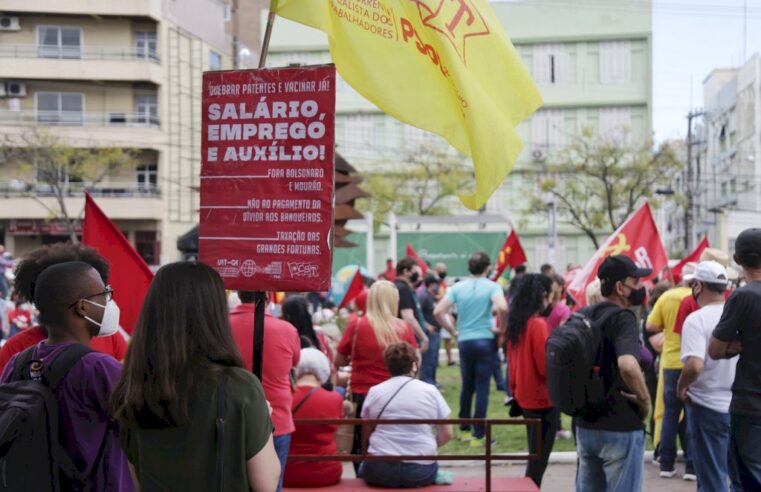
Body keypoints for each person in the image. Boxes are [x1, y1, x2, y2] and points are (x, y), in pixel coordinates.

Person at [111, 262, 279, 491]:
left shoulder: (133, 388)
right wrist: (262, 419)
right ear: (215, 315)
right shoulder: (240, 387)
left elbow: (138, 481)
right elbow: (266, 483)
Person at [0, 261, 133, 491]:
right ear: (82, 307)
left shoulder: (18, 362)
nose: (109, 301)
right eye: (104, 294)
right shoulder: (100, 368)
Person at [575, 255, 651, 492]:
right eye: (636, 282)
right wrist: (644, 399)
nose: (640, 288)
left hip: (585, 424)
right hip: (620, 424)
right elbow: (627, 364)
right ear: (620, 287)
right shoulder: (623, 318)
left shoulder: (583, 315)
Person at [0, 243, 129, 372]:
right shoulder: (15, 349)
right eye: (101, 293)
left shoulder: (111, 338)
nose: (106, 300)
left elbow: (127, 382)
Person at [335, 280, 419, 469]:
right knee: (393, 443)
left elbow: (338, 361)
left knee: (361, 448)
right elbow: (415, 360)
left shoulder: (356, 326)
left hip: (362, 394)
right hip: (396, 395)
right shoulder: (404, 328)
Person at [229, 290, 300, 492]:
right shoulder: (287, 330)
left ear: (238, 294)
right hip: (277, 419)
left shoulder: (220, 327)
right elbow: (294, 363)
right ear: (268, 297)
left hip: (231, 418)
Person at [435, 252, 507, 446]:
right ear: (487, 267)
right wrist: (502, 329)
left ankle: (465, 430)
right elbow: (503, 307)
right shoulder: (492, 286)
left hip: (465, 341)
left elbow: (438, 311)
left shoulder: (457, 287)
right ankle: (478, 435)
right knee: (482, 388)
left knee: (467, 386)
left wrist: (452, 330)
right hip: (485, 340)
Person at [676, 261, 736, 492]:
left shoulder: (697, 319)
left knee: (712, 480)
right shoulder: (738, 315)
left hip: (706, 406)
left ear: (698, 286)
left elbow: (694, 365)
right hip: (740, 407)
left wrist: (681, 386)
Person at [708, 228, 761, 490]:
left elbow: (715, 350)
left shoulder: (743, 296)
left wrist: (734, 346)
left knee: (746, 481)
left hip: (750, 405)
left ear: (736, 258)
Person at [359, 342, 453, 488]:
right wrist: (426, 447)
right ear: (414, 365)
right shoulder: (431, 391)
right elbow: (447, 434)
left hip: (380, 470)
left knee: (362, 469)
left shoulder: (375, 391)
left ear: (388, 366)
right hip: (419, 471)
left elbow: (367, 432)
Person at [502, 274, 556, 487]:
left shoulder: (517, 323)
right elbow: (545, 366)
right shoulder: (537, 324)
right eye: (550, 295)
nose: (551, 301)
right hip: (542, 398)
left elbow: (512, 365)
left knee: (534, 457)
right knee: (538, 462)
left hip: (523, 396)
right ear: (542, 296)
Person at [647, 263, 696, 480]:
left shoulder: (667, 297)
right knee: (692, 415)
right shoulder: (698, 297)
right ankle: (692, 467)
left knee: (670, 413)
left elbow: (650, 325)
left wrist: (666, 329)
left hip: (670, 362)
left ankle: (666, 464)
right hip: (692, 362)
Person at [283, 348, 343, 488]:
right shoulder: (334, 398)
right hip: (326, 472)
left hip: (287, 472)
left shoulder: (284, 398)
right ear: (323, 369)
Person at [418, 275, 455, 385]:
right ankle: (427, 381)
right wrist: (426, 325)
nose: (438, 286)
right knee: (428, 360)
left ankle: (432, 380)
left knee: (433, 359)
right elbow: (418, 313)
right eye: (436, 284)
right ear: (431, 284)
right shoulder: (423, 296)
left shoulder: (430, 296)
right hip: (429, 333)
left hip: (436, 332)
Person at [394, 257, 430, 352]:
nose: (417, 275)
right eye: (414, 271)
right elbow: (408, 317)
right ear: (406, 271)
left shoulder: (394, 286)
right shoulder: (403, 289)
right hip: (406, 340)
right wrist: (423, 337)